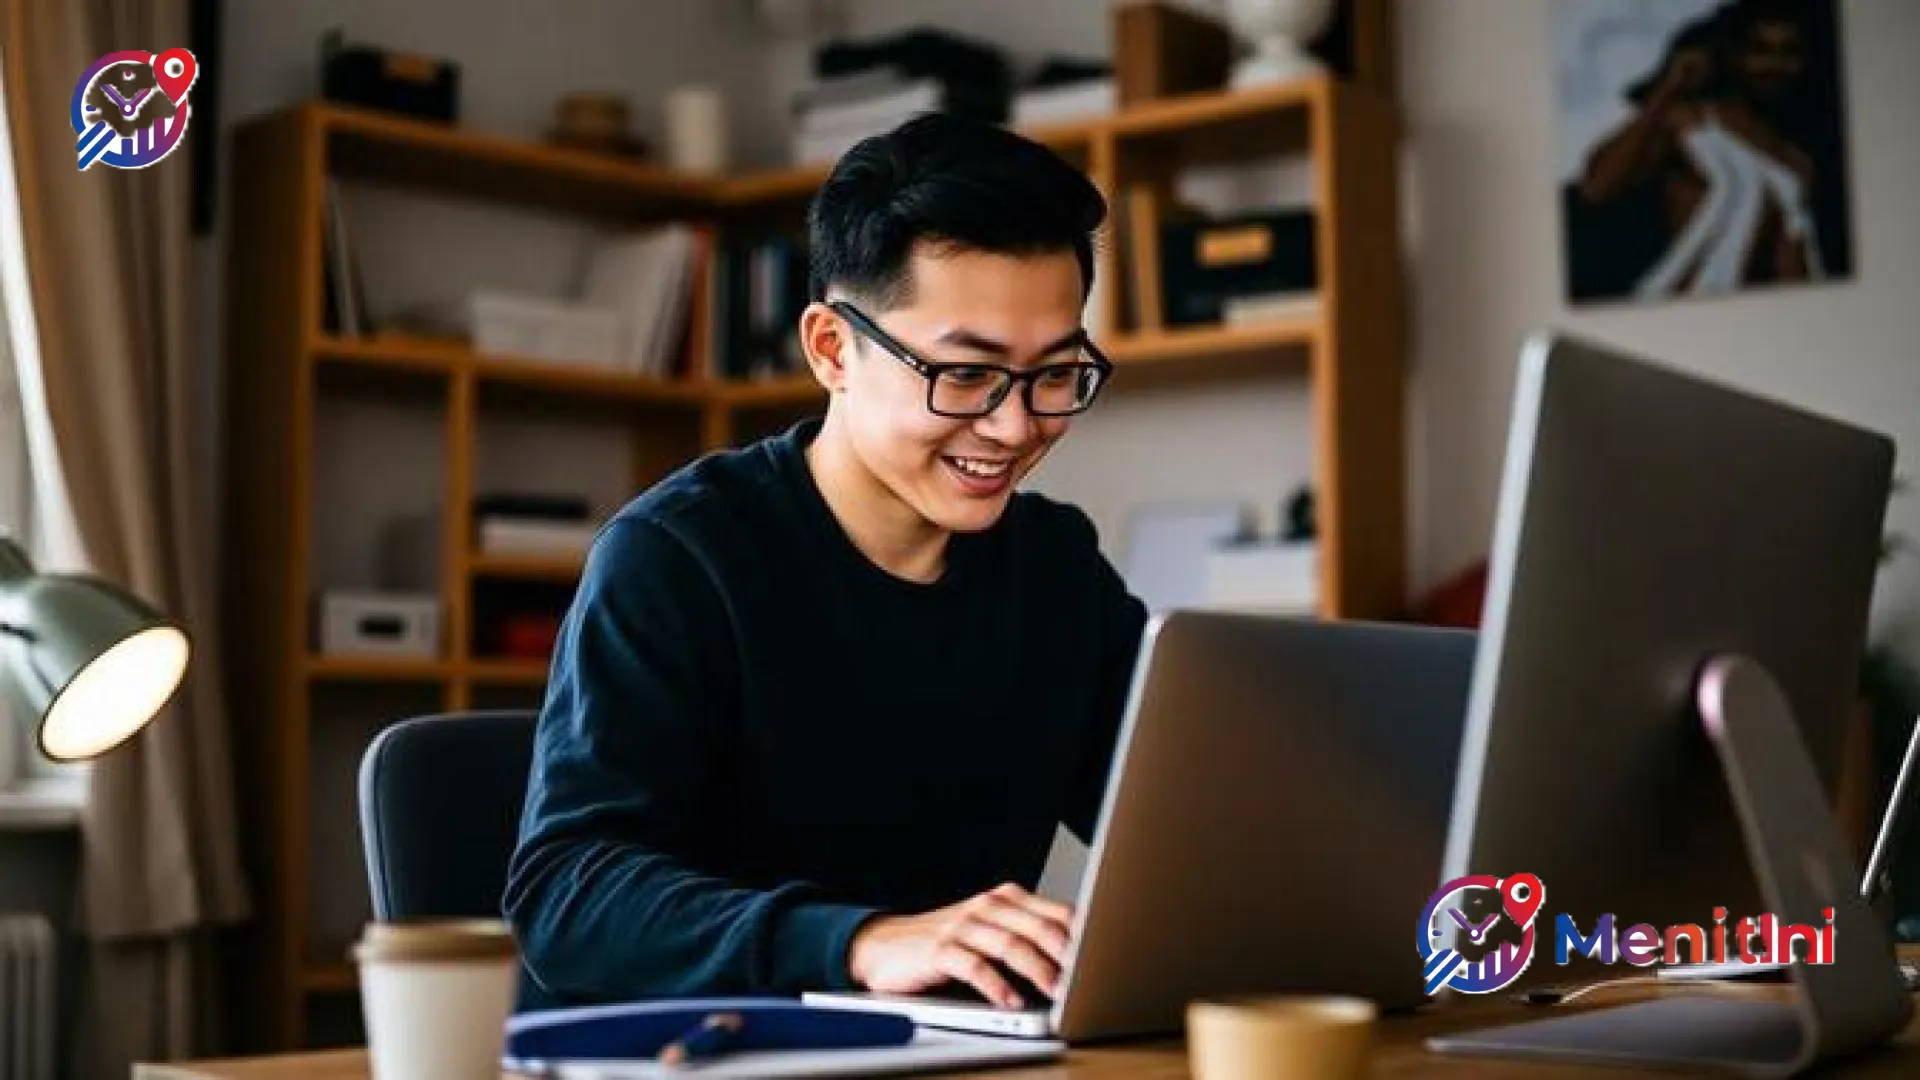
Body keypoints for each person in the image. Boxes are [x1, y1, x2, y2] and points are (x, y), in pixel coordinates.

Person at [502, 111, 1150, 1013]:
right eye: (966, 374)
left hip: (962, 1055)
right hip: (709, 1053)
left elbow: (1171, 824)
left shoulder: (1054, 569)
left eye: (1054, 373)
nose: (1015, 426)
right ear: (832, 349)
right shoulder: (679, 556)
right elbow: (567, 897)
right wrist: (861, 943)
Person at [1572, 0, 1827, 299]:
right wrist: (1667, 90)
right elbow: (1596, 188)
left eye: (1789, 52)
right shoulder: (1691, 124)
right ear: (1734, 55)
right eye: (1760, 50)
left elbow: (1792, 269)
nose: (1774, 64)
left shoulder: (1796, 165)